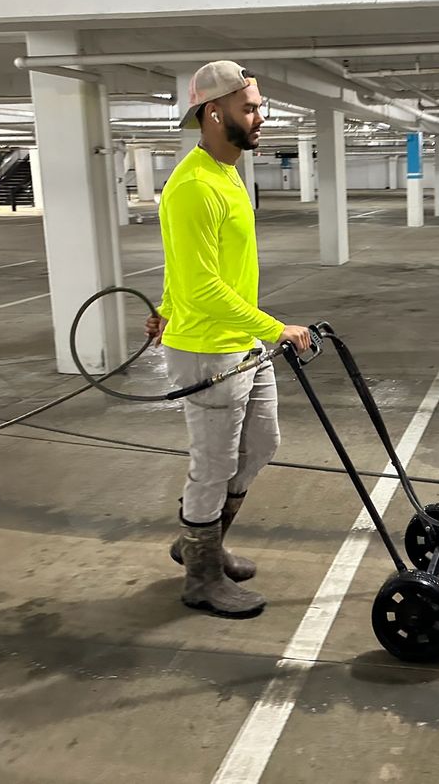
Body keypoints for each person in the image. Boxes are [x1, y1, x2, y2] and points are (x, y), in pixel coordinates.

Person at [145, 60, 311, 618]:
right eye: (251, 108)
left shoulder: (229, 173)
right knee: (211, 467)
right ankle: (201, 577)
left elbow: (186, 268)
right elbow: (205, 284)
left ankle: (201, 543)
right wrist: (276, 328)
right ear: (214, 114)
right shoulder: (192, 186)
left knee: (262, 445)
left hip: (240, 341)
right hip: (209, 350)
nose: (261, 117)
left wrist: (167, 306)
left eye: (259, 106)